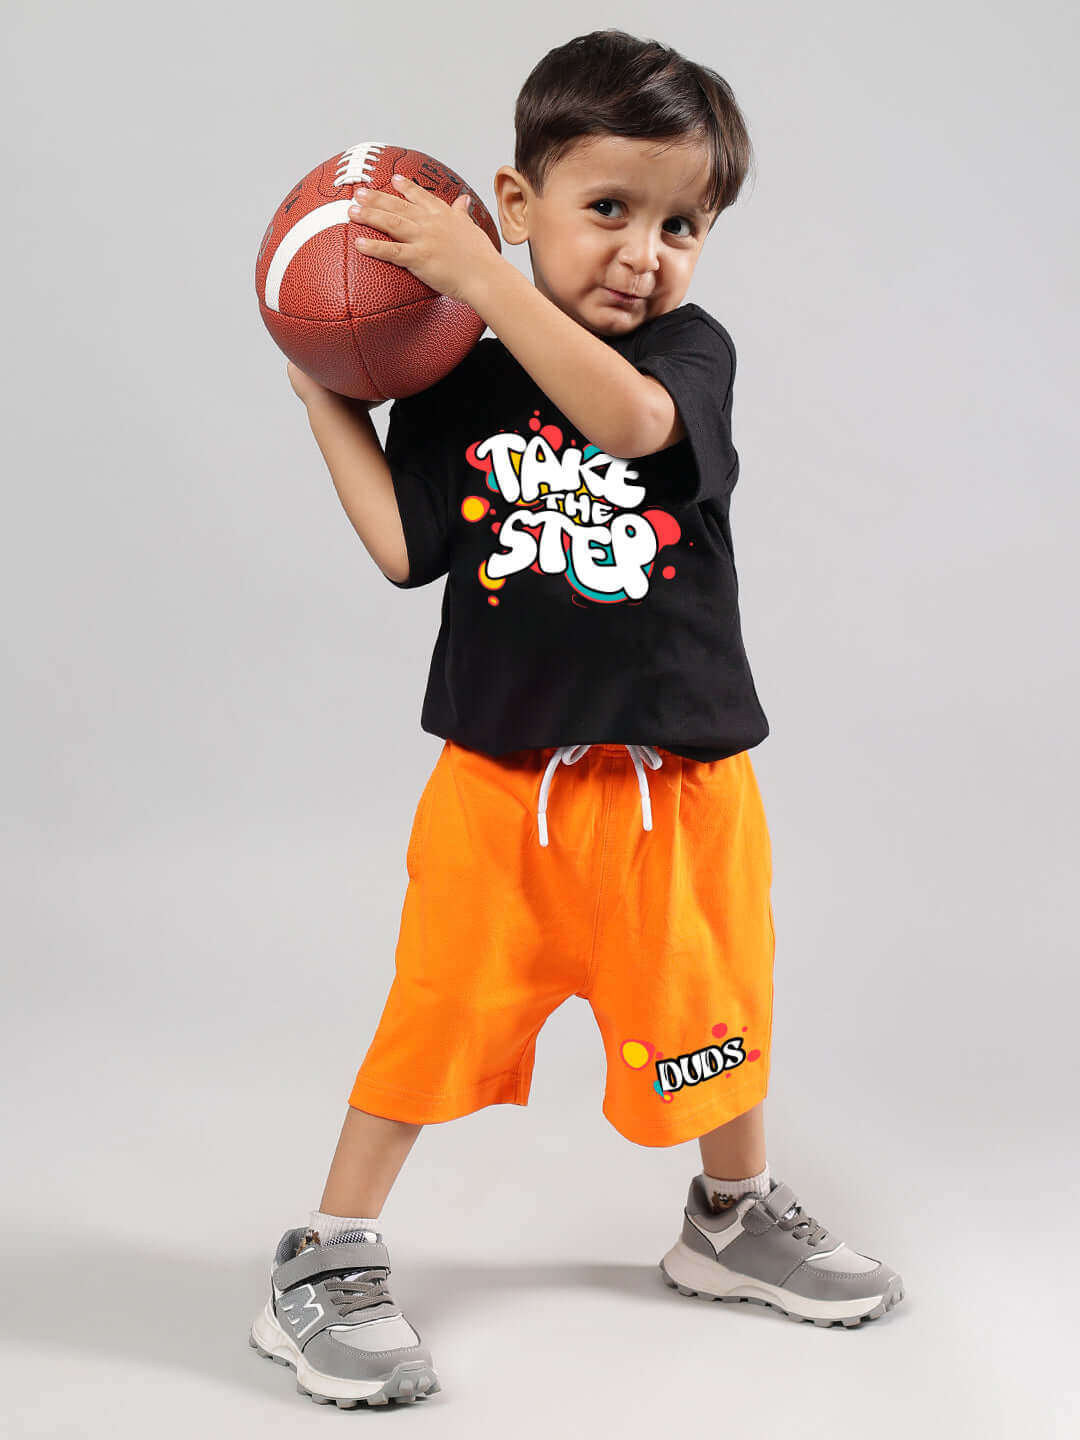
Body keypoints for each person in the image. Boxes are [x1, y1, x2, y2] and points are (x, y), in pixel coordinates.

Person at [248, 28, 904, 1410]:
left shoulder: (688, 356)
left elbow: (625, 426)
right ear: (520, 194)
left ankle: (730, 1219)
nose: (644, 251)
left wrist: (482, 275)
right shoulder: (450, 376)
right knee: (434, 1018)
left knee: (712, 1009)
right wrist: (326, 393)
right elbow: (401, 551)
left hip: (681, 787)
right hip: (503, 788)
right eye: (609, 209)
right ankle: (327, 1254)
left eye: (684, 222)